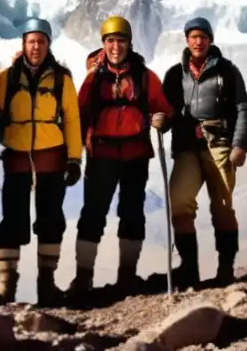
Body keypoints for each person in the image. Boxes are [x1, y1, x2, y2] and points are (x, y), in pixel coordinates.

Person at [68, 15, 174, 297]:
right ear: (103, 43)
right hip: (101, 154)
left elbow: (163, 108)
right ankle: (84, 277)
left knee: (132, 214)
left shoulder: (144, 76)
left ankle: (126, 276)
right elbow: (79, 115)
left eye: (121, 40)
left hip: (135, 155)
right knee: (93, 214)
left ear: (129, 43)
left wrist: (162, 119)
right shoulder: (93, 77)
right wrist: (73, 157)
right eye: (111, 41)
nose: (116, 46)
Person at [0, 18, 82, 306]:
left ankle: (47, 285)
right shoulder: (5, 79)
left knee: (51, 219)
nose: (36, 46)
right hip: (16, 156)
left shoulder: (61, 78)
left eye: (41, 41)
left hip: (51, 156)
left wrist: (75, 158)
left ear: (48, 44)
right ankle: (6, 286)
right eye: (32, 41)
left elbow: (72, 119)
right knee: (11, 220)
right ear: (23, 44)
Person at [162, 17, 247, 289]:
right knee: (178, 202)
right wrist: (160, 120)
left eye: (203, 36)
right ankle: (189, 268)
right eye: (193, 37)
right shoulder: (174, 74)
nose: (198, 41)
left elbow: (242, 109)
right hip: (187, 147)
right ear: (187, 41)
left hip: (220, 144)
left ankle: (226, 269)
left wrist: (239, 144)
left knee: (222, 207)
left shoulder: (227, 71)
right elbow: (166, 112)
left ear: (210, 40)